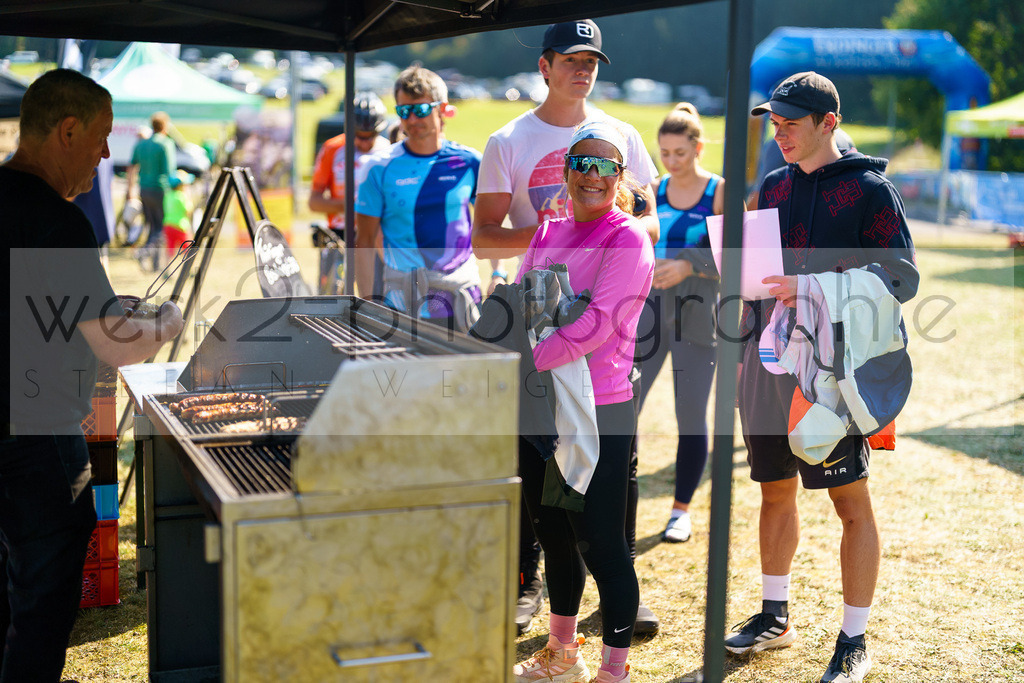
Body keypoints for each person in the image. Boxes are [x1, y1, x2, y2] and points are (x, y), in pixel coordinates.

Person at [471, 17, 662, 636]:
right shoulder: (508, 139)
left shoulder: (623, 136)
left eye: (593, 60)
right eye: (572, 58)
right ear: (545, 66)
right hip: (533, 318)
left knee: (613, 468)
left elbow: (651, 223)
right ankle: (532, 585)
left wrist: (597, 238)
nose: (584, 68)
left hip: (606, 319)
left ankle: (616, 580)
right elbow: (483, 236)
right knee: (536, 464)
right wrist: (556, 235)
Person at [727, 71, 918, 683]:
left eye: (790, 123)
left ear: (828, 122)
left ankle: (854, 640)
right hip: (768, 363)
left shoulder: (871, 191)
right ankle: (774, 615)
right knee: (774, 488)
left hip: (835, 373)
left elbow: (902, 281)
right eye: (773, 123)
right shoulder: (773, 185)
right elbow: (760, 276)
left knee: (849, 502)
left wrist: (812, 287)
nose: (777, 133)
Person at [1, 68, 184, 683]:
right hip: (36, 444)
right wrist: (168, 321)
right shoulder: (58, 221)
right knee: (42, 607)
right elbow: (117, 346)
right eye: (103, 137)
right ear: (69, 130)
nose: (108, 153)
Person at [512, 121, 653, 683]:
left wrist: (529, 356)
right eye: (581, 164)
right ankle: (562, 652)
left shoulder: (628, 238)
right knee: (552, 532)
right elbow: (523, 297)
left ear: (619, 178)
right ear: (566, 172)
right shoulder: (549, 229)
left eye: (604, 167)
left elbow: (600, 323)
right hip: (541, 406)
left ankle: (613, 672)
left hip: (600, 409)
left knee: (601, 541)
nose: (591, 176)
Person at [636, 103, 729, 544]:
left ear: (698, 148)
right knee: (624, 410)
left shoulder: (720, 191)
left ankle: (680, 511)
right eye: (665, 153)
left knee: (690, 416)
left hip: (697, 322)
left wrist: (689, 266)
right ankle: (619, 498)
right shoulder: (653, 188)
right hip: (647, 317)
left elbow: (739, 258)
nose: (671, 162)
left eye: (680, 152)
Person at [354, 66, 485, 332]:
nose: (411, 119)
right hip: (402, 302)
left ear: (442, 109)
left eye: (421, 110)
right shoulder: (377, 168)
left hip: (461, 296)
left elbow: (488, 225)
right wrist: (368, 304)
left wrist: (498, 272)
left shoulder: (470, 162)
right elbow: (364, 241)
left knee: (466, 374)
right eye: (404, 111)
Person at [309, 92, 391, 295]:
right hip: (340, 234)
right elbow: (314, 202)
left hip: (376, 235)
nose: (364, 143)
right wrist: (349, 205)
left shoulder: (388, 150)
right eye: (359, 136)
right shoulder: (332, 149)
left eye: (370, 136)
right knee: (332, 300)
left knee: (375, 298)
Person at [126, 111, 176, 271]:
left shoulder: (141, 144)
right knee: (160, 227)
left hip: (144, 189)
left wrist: (130, 189)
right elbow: (169, 171)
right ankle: (146, 253)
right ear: (165, 126)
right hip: (160, 190)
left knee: (151, 226)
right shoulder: (165, 144)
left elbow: (132, 166)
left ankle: (155, 265)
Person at [162, 172, 194, 262]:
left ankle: (166, 268)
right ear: (180, 185)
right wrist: (189, 196)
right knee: (187, 248)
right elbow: (188, 210)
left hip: (168, 225)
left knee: (170, 248)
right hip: (181, 226)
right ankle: (188, 267)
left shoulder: (168, 195)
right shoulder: (181, 197)